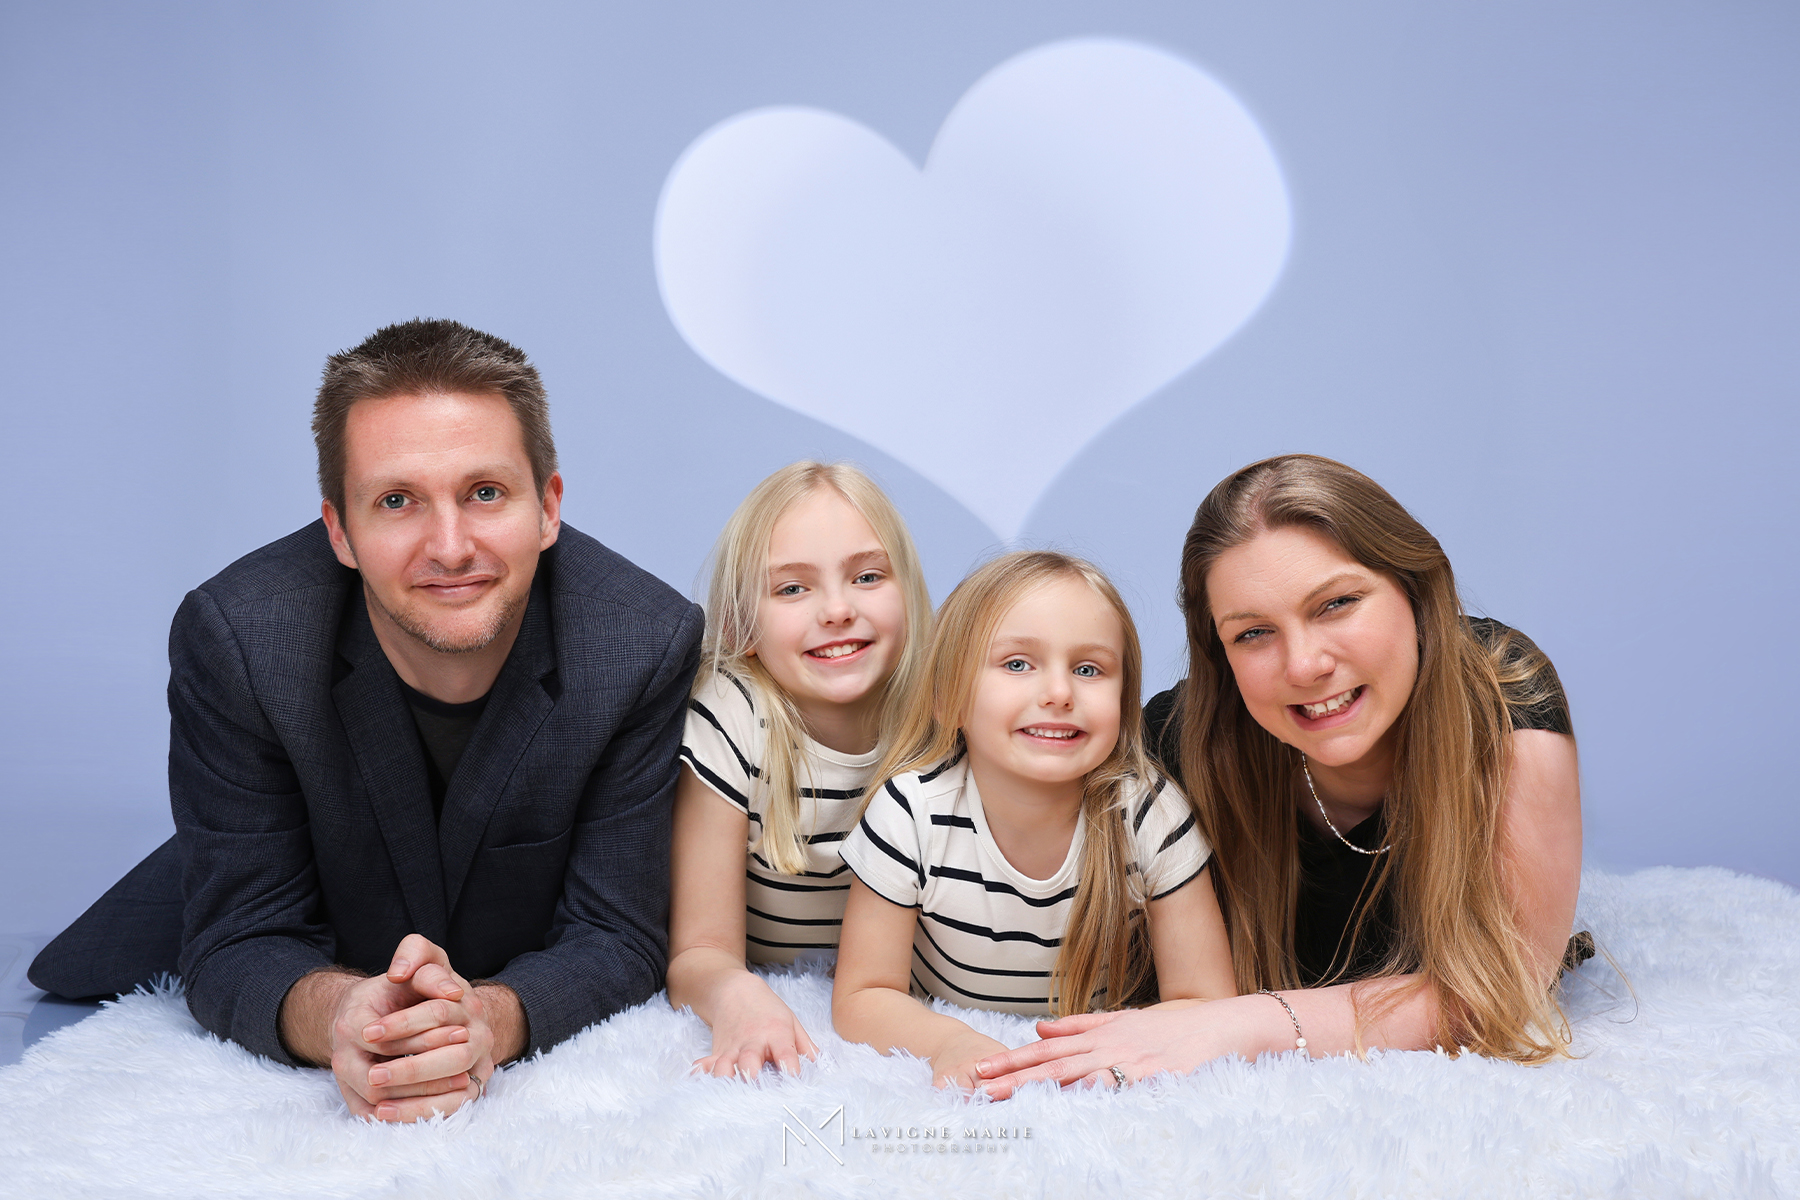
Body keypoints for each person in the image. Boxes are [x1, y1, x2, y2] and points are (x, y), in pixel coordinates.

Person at [29, 319, 704, 1122]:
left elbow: (615, 932)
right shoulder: (242, 639)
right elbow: (241, 936)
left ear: (549, 507)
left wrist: (485, 1021)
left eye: (485, 493)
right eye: (397, 501)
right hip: (314, 917)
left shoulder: (642, 643)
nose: (450, 547)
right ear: (340, 532)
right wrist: (343, 1019)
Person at [974, 455, 1583, 1095]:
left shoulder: (1506, 696)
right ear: (1220, 655)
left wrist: (1241, 1026)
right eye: (1254, 633)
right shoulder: (1181, 744)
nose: (1304, 664)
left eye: (1337, 604)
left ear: (1416, 590)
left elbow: (1507, 988)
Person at [833, 551, 1237, 1089]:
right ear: (946, 697)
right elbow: (863, 996)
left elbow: (1206, 1002)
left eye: (1088, 669)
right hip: (956, 1023)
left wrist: (1111, 1048)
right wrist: (948, 1041)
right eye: (1017, 664)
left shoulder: (1149, 814)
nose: (1059, 693)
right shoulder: (910, 810)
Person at [666, 462, 931, 1078]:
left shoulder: (941, 715)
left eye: (867, 576)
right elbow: (700, 952)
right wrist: (739, 996)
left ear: (909, 596)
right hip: (772, 971)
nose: (837, 610)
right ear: (741, 622)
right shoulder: (731, 714)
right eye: (792, 588)